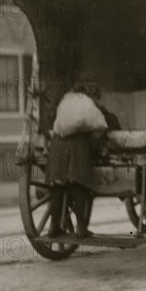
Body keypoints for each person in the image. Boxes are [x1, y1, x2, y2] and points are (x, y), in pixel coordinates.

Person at [46, 80, 120, 239]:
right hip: (77, 147)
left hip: (57, 145)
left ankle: (53, 228)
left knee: (58, 188)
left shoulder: (66, 101)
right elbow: (109, 120)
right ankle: (81, 228)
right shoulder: (89, 105)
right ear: (91, 94)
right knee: (78, 186)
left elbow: (53, 121)